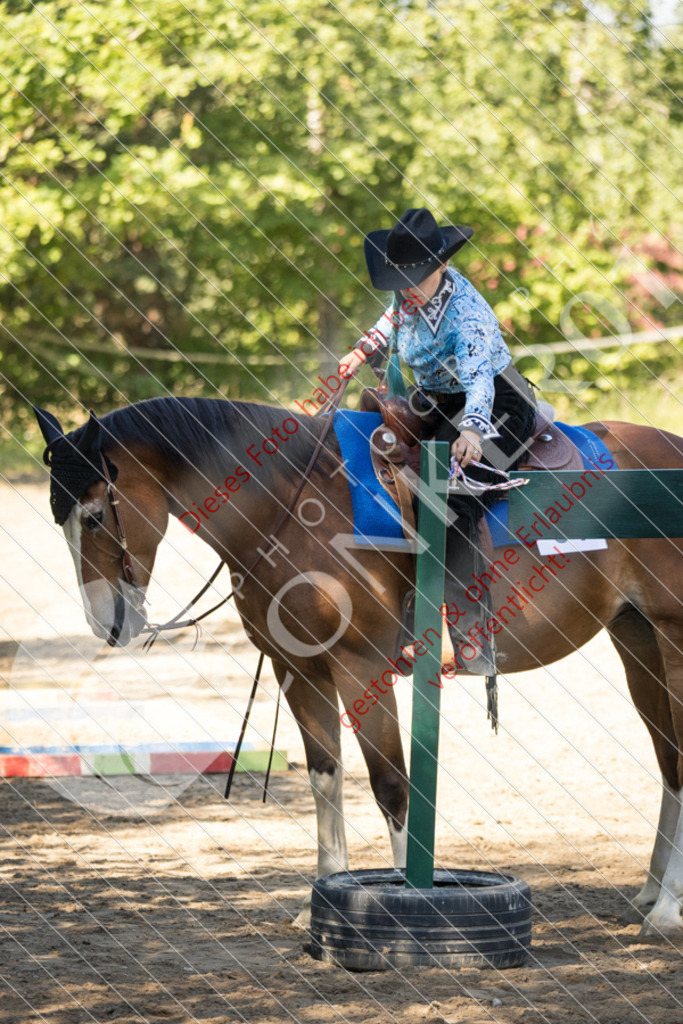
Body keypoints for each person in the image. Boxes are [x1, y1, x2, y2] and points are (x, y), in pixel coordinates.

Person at [338, 207, 537, 675]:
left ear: (442, 265)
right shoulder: (409, 290)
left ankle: (470, 637)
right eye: (399, 280)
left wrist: (472, 429)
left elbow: (479, 381)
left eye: (413, 279)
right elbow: (389, 321)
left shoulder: (466, 314)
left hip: (496, 402)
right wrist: (362, 349)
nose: (405, 289)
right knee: (385, 468)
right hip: (437, 399)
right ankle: (400, 611)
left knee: (449, 496)